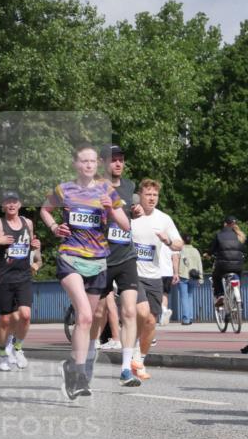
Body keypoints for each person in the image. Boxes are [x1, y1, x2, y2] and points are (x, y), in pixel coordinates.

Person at [40, 144, 131, 399]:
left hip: (98, 261)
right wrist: (54, 227)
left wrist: (111, 209)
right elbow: (45, 210)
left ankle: (72, 365)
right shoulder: (64, 189)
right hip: (70, 257)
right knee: (84, 316)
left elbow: (126, 225)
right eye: (84, 161)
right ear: (75, 164)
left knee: (87, 320)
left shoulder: (107, 190)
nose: (89, 165)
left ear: (97, 164)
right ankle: (79, 375)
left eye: (92, 161)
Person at [90, 144, 144, 385]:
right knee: (98, 313)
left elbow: (128, 214)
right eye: (114, 160)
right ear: (103, 163)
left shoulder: (129, 186)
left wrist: (136, 210)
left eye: (121, 159)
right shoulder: (93, 186)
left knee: (129, 311)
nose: (119, 163)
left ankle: (125, 369)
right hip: (101, 257)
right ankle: (88, 357)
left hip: (126, 256)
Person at [0, 191, 41, 370]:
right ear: (3, 205)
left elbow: (30, 245)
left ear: (20, 204)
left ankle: (18, 348)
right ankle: (2, 354)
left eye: (15, 201)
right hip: (4, 277)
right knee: (5, 320)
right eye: (8, 201)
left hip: (23, 276)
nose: (12, 204)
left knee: (25, 315)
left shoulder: (27, 223)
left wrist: (34, 246)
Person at [129, 179, 183, 380]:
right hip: (132, 273)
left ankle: (139, 360)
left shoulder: (164, 219)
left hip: (154, 276)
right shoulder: (131, 216)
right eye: (148, 194)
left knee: (151, 322)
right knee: (141, 313)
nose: (152, 198)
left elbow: (179, 244)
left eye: (155, 195)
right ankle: (130, 354)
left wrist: (168, 241)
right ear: (140, 196)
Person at [211, 216, 246, 308]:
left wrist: (209, 254)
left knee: (216, 276)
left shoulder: (219, 235)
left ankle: (220, 294)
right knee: (239, 277)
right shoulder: (240, 235)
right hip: (238, 266)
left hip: (223, 266)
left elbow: (213, 249)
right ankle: (238, 297)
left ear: (225, 224)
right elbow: (243, 250)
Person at [177, 234, 203, 325]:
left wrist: (175, 274)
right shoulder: (196, 251)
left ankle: (186, 319)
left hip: (183, 275)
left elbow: (177, 262)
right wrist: (201, 279)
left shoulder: (180, 250)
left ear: (183, 241)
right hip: (194, 276)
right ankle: (190, 317)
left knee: (184, 297)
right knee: (190, 296)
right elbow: (199, 264)